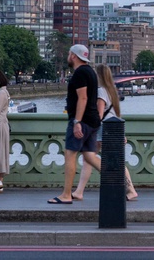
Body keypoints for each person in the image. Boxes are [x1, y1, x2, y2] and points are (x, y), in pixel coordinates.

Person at [72, 64, 138, 201]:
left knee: (92, 159)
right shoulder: (112, 91)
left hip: (103, 130)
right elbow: (115, 114)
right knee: (91, 158)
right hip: (113, 128)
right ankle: (79, 191)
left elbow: (100, 115)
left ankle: (130, 189)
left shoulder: (101, 91)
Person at [48, 44, 102, 205]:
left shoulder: (79, 73)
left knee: (70, 155)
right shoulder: (91, 72)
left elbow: (83, 98)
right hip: (93, 121)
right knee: (90, 156)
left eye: (69, 54)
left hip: (82, 121)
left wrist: (77, 121)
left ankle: (66, 195)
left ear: (74, 56)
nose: (68, 57)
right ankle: (118, 180)